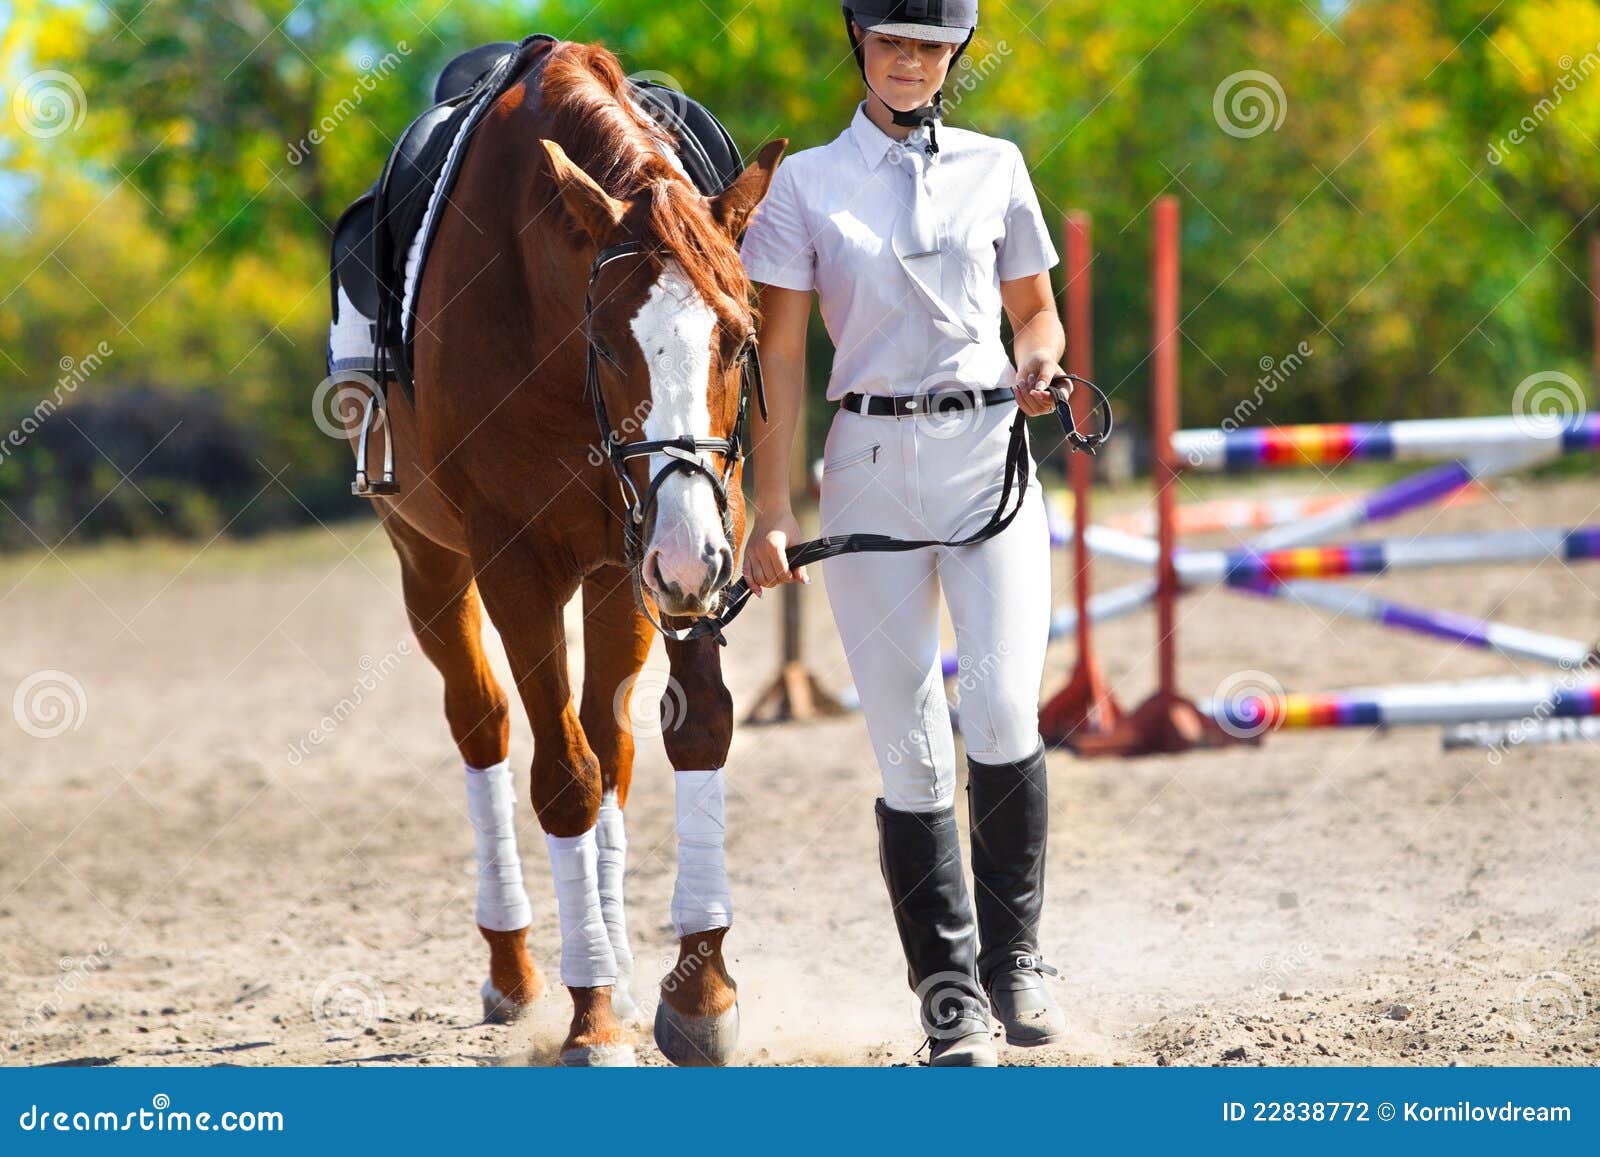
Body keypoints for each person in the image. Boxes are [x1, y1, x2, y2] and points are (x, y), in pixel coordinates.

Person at [738, 0, 1068, 1066]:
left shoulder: (997, 166)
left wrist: (1040, 358)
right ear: (860, 45)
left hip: (987, 459)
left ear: (953, 52)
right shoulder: (800, 188)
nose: (910, 61)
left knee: (1004, 701)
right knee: (908, 733)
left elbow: (1036, 311)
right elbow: (779, 359)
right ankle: (948, 999)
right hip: (871, 468)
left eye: (929, 45)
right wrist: (770, 505)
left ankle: (1014, 960)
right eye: (891, 42)